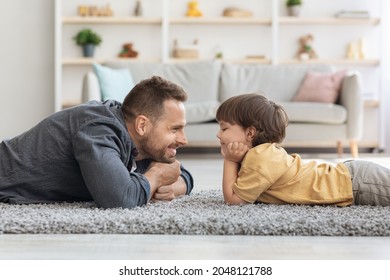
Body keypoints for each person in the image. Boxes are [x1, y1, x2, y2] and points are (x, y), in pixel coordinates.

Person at [0, 76, 193, 209]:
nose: (183, 140)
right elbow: (120, 199)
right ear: (142, 124)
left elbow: (182, 174)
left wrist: (171, 187)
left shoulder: (138, 137)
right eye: (174, 129)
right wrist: (157, 176)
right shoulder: (99, 130)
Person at [216, 93, 390, 206]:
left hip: (357, 184)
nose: (218, 135)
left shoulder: (260, 159)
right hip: (352, 178)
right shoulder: (261, 154)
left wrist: (230, 160)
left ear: (250, 133)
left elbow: (234, 201)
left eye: (224, 129)